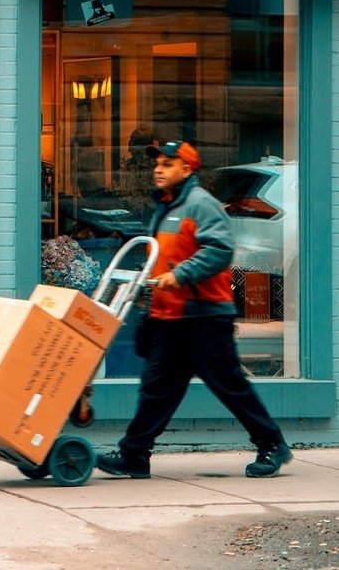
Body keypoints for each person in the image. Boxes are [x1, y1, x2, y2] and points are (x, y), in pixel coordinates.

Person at [96, 140, 292, 479]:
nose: (158, 169)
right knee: (157, 388)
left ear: (187, 170)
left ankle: (272, 444)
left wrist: (180, 275)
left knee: (228, 384)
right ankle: (135, 454)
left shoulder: (201, 204)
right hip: (171, 316)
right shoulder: (168, 206)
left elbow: (220, 249)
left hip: (204, 315)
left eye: (168, 164)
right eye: (157, 163)